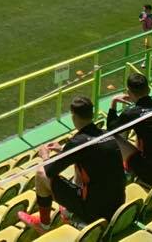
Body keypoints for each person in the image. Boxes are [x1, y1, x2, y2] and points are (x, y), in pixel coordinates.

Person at [18, 96, 125, 231]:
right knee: (83, 165)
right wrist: (62, 150)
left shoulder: (78, 142)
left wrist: (46, 157)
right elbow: (91, 154)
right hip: (118, 204)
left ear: (74, 117)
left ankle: (44, 224)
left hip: (94, 211)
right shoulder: (106, 135)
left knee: (41, 172)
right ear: (92, 114)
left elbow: (50, 171)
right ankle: (70, 209)